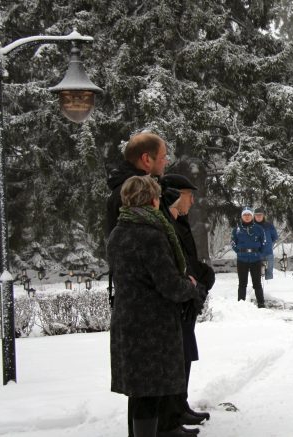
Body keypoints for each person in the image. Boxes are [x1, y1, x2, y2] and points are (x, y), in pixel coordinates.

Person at [107, 175, 206, 437]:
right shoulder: (151, 234)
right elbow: (169, 284)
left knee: (141, 393)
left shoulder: (118, 232)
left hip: (128, 319)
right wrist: (192, 286)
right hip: (152, 325)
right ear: (151, 199)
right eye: (158, 196)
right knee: (149, 393)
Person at [161, 174, 215, 427]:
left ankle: (179, 406)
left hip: (188, 297)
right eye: (188, 195)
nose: (192, 200)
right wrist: (197, 278)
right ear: (175, 195)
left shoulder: (180, 222)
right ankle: (172, 412)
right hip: (179, 297)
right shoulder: (167, 223)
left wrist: (203, 276)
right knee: (178, 355)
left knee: (185, 353)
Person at [106, 132, 170, 307]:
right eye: (163, 156)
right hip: (145, 303)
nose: (166, 161)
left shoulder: (129, 190)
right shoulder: (134, 194)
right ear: (146, 159)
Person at [232, 207, 266, 307]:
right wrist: (238, 251)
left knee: (257, 284)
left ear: (252, 216)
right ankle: (240, 305)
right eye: (245, 215)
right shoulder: (237, 229)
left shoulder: (259, 229)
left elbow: (263, 242)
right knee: (242, 284)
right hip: (242, 260)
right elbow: (233, 242)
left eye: (249, 215)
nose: (247, 217)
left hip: (255, 259)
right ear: (242, 217)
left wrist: (259, 253)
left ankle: (261, 304)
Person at [254, 208, 278, 280]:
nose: (258, 216)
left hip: (268, 253)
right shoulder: (252, 226)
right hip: (256, 254)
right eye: (257, 215)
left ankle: (269, 289)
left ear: (263, 215)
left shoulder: (269, 226)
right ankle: (258, 287)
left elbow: (275, 237)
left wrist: (269, 244)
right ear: (254, 216)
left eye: (260, 215)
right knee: (256, 274)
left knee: (269, 274)